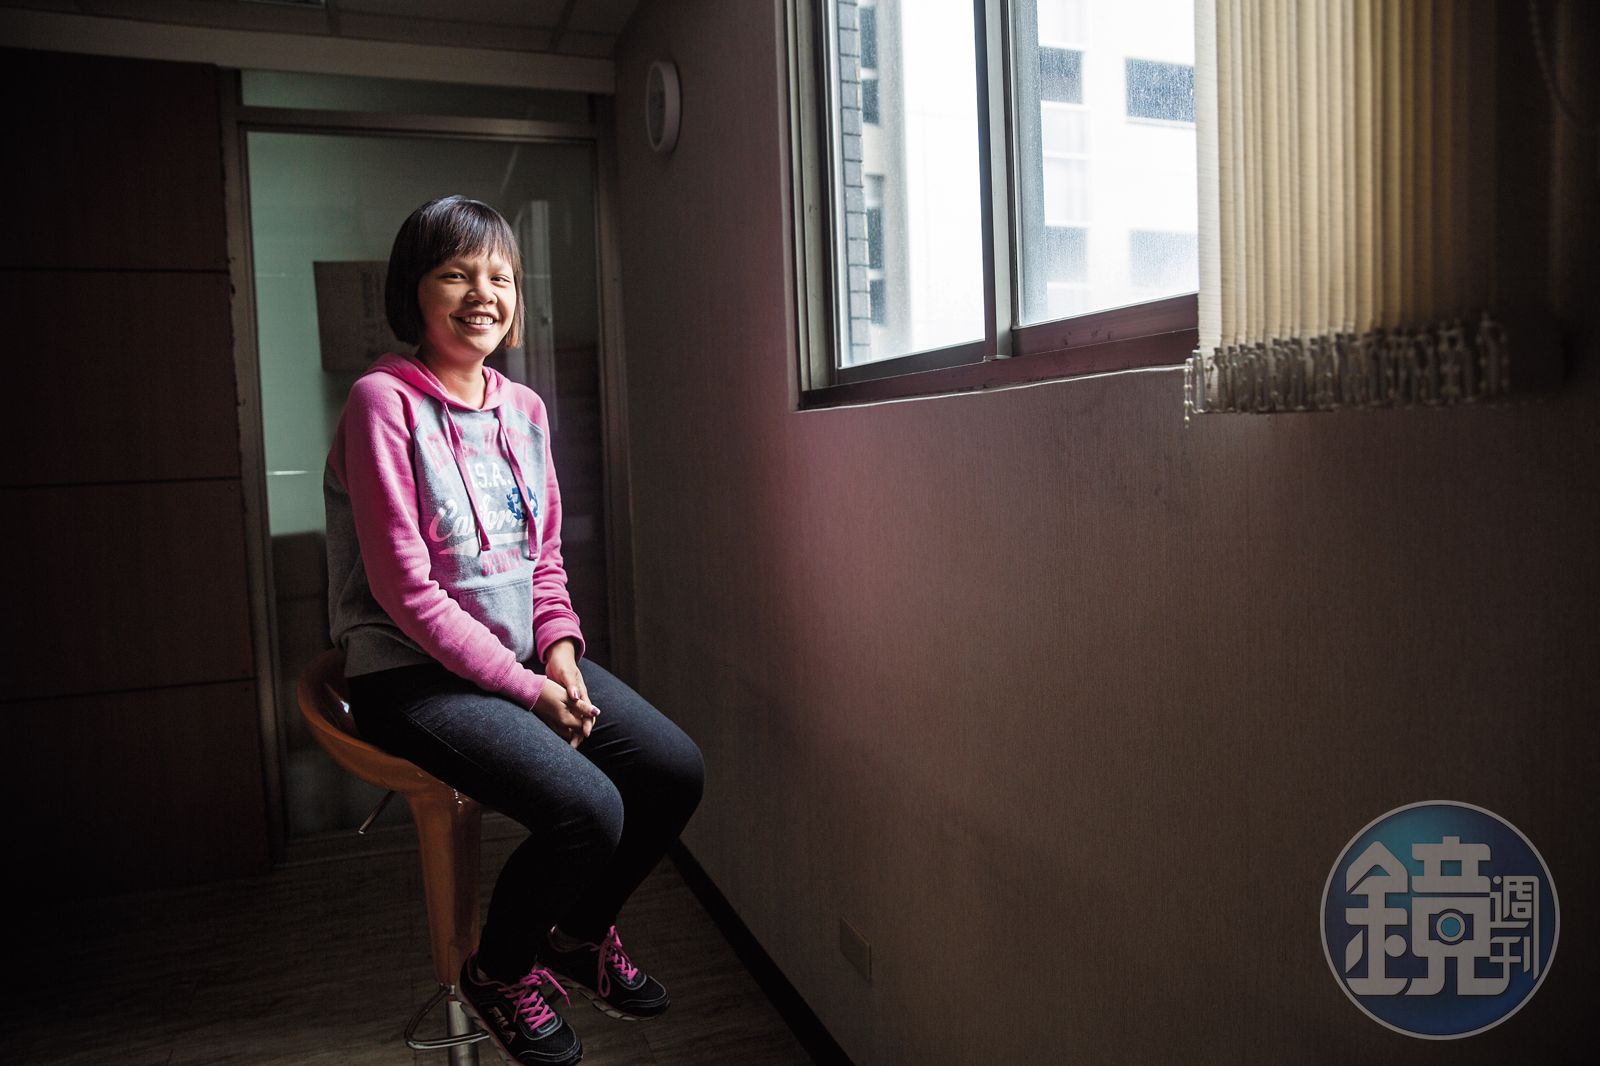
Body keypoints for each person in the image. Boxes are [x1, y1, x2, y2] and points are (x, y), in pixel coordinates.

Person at [324, 195, 704, 1066]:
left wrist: (560, 655)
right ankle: (498, 972)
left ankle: (577, 933)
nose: (483, 295)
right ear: (412, 291)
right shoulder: (382, 401)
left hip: (521, 660)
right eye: (455, 274)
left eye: (501, 277)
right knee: (589, 808)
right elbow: (406, 592)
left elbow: (545, 563)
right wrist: (530, 690)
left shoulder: (525, 410)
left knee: (672, 770)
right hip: (408, 673)